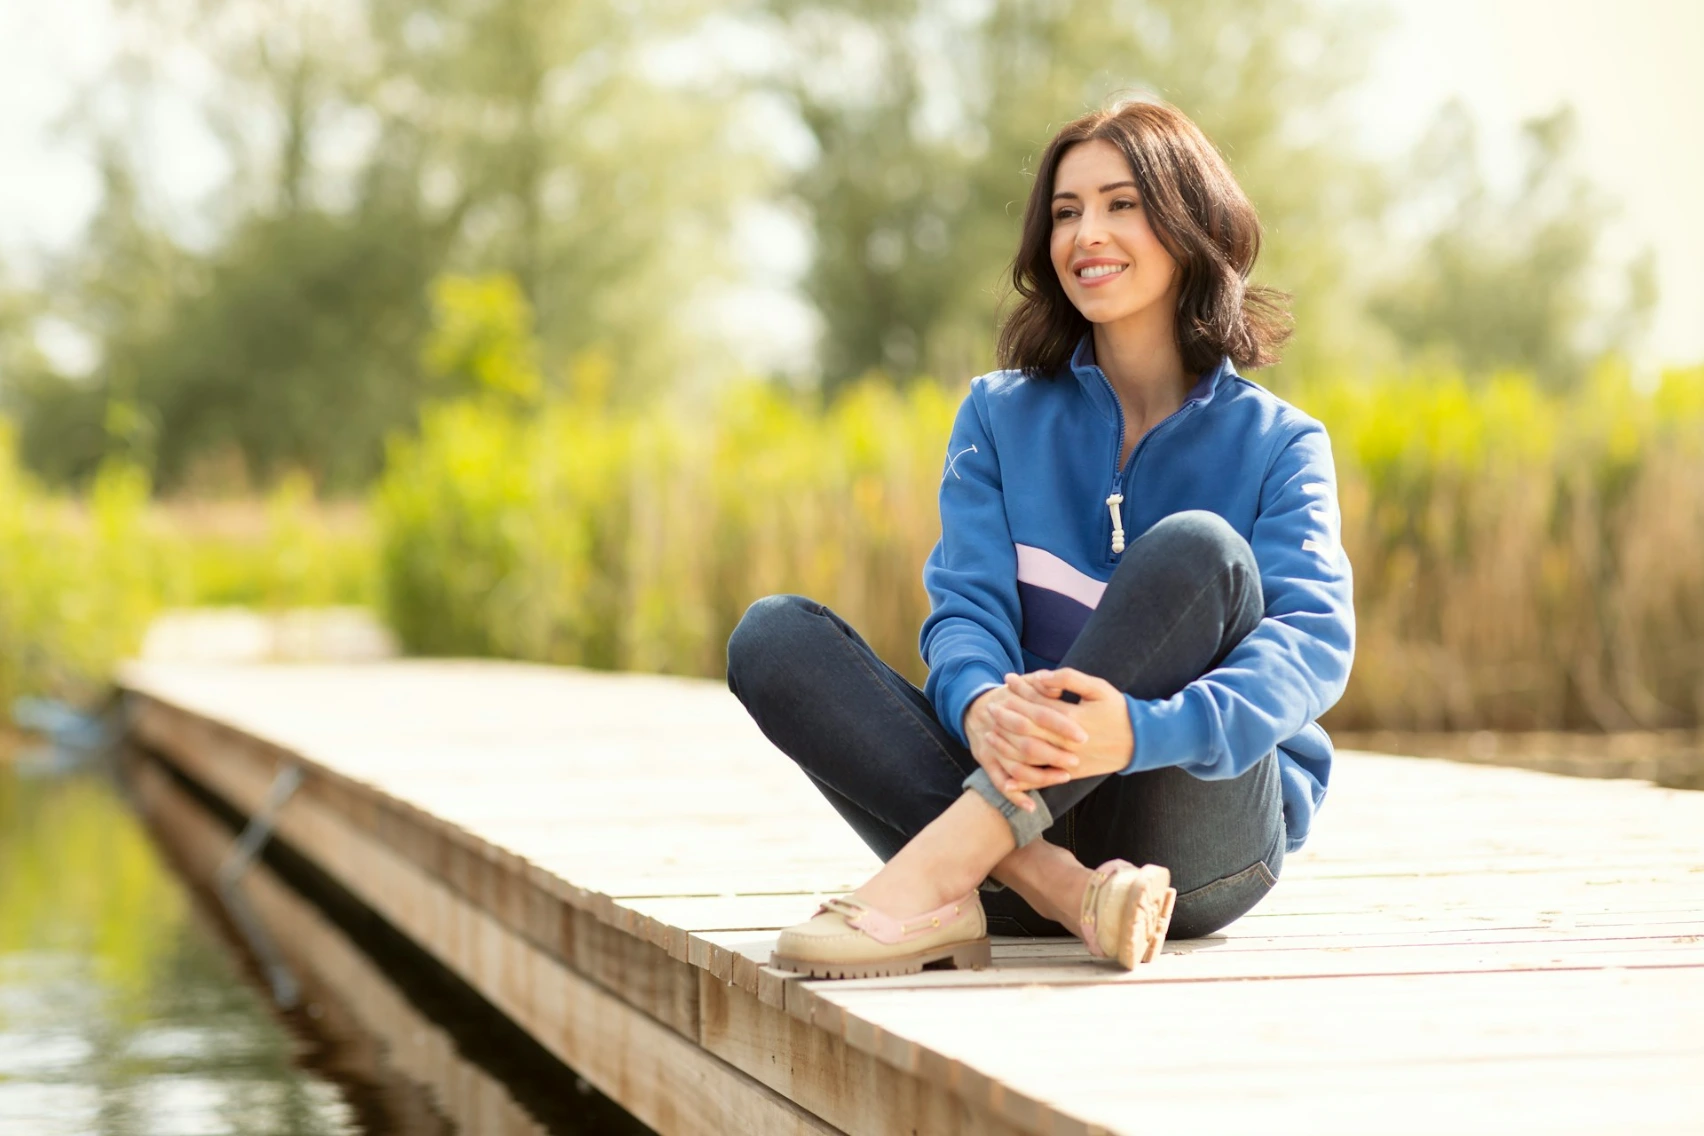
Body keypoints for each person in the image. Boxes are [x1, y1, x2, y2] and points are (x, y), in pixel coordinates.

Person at [724, 98, 1356, 979]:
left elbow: (1312, 647)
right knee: (775, 637)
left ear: (1190, 219)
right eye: (1066, 212)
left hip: (1196, 845)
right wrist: (982, 705)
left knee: (1198, 549)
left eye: (1120, 203)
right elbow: (965, 615)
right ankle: (1063, 889)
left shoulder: (1279, 444)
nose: (1086, 233)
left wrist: (1134, 733)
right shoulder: (997, 414)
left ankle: (952, 864)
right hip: (1023, 825)